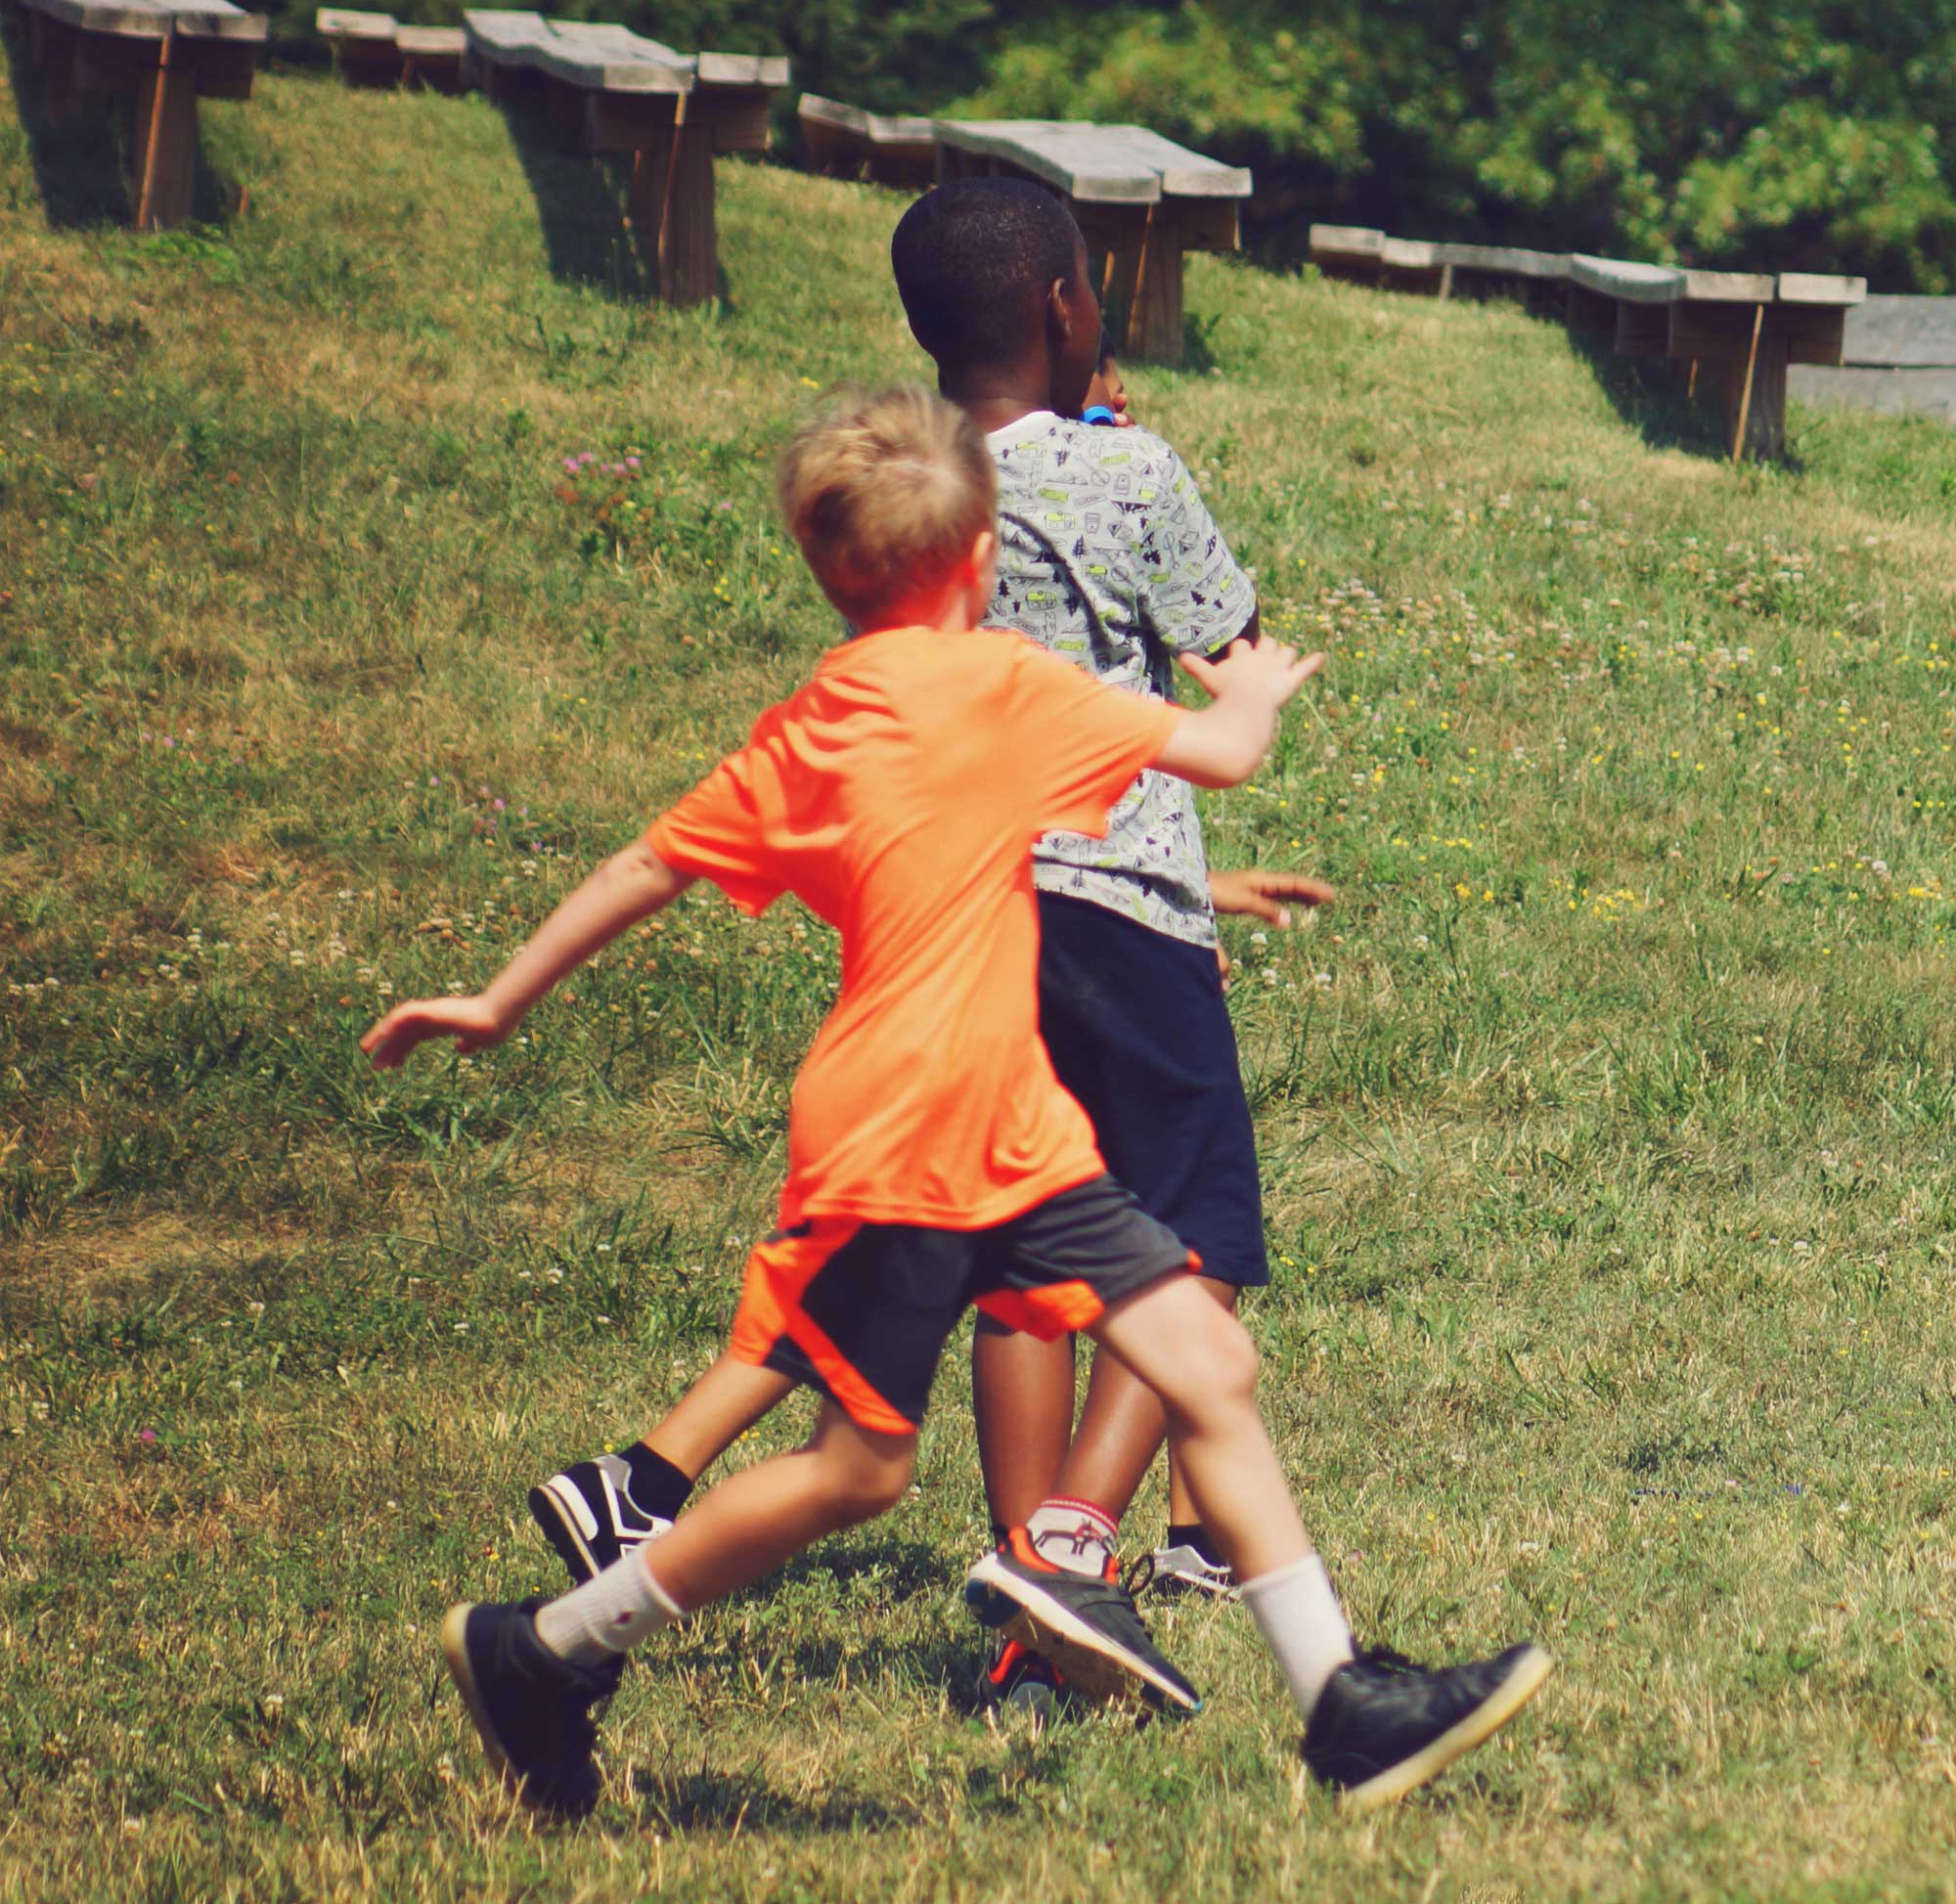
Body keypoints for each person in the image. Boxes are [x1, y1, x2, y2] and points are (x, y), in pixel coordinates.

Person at [370, 387, 1549, 1818]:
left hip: (1004, 1128)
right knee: (856, 1471)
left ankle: (1342, 1702)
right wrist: (1250, 689)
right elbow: (1224, 755)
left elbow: (648, 862)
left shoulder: (816, 726)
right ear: (985, 553)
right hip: (906, 1145)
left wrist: (498, 999)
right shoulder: (1007, 684)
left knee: (1203, 1362)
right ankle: (550, 1646)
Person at [524, 180, 1333, 1724]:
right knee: (1198, 1246)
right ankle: (1080, 1555)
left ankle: (1023, 1576)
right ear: (1064, 309)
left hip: (980, 918)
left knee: (1026, 1278)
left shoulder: (941, 505)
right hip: (1131, 910)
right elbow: (1224, 644)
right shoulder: (1127, 469)